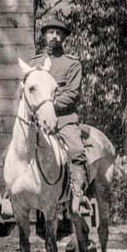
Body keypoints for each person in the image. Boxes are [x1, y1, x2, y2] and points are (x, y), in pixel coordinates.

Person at [30, 18, 87, 211]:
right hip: (36, 119)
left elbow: (72, 93)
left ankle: (78, 194)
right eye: (51, 32)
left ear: (63, 38)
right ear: (44, 35)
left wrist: (50, 106)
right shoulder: (34, 62)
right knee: (17, 147)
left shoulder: (72, 63)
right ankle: (10, 194)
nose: (54, 36)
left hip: (63, 118)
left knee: (76, 149)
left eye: (59, 33)